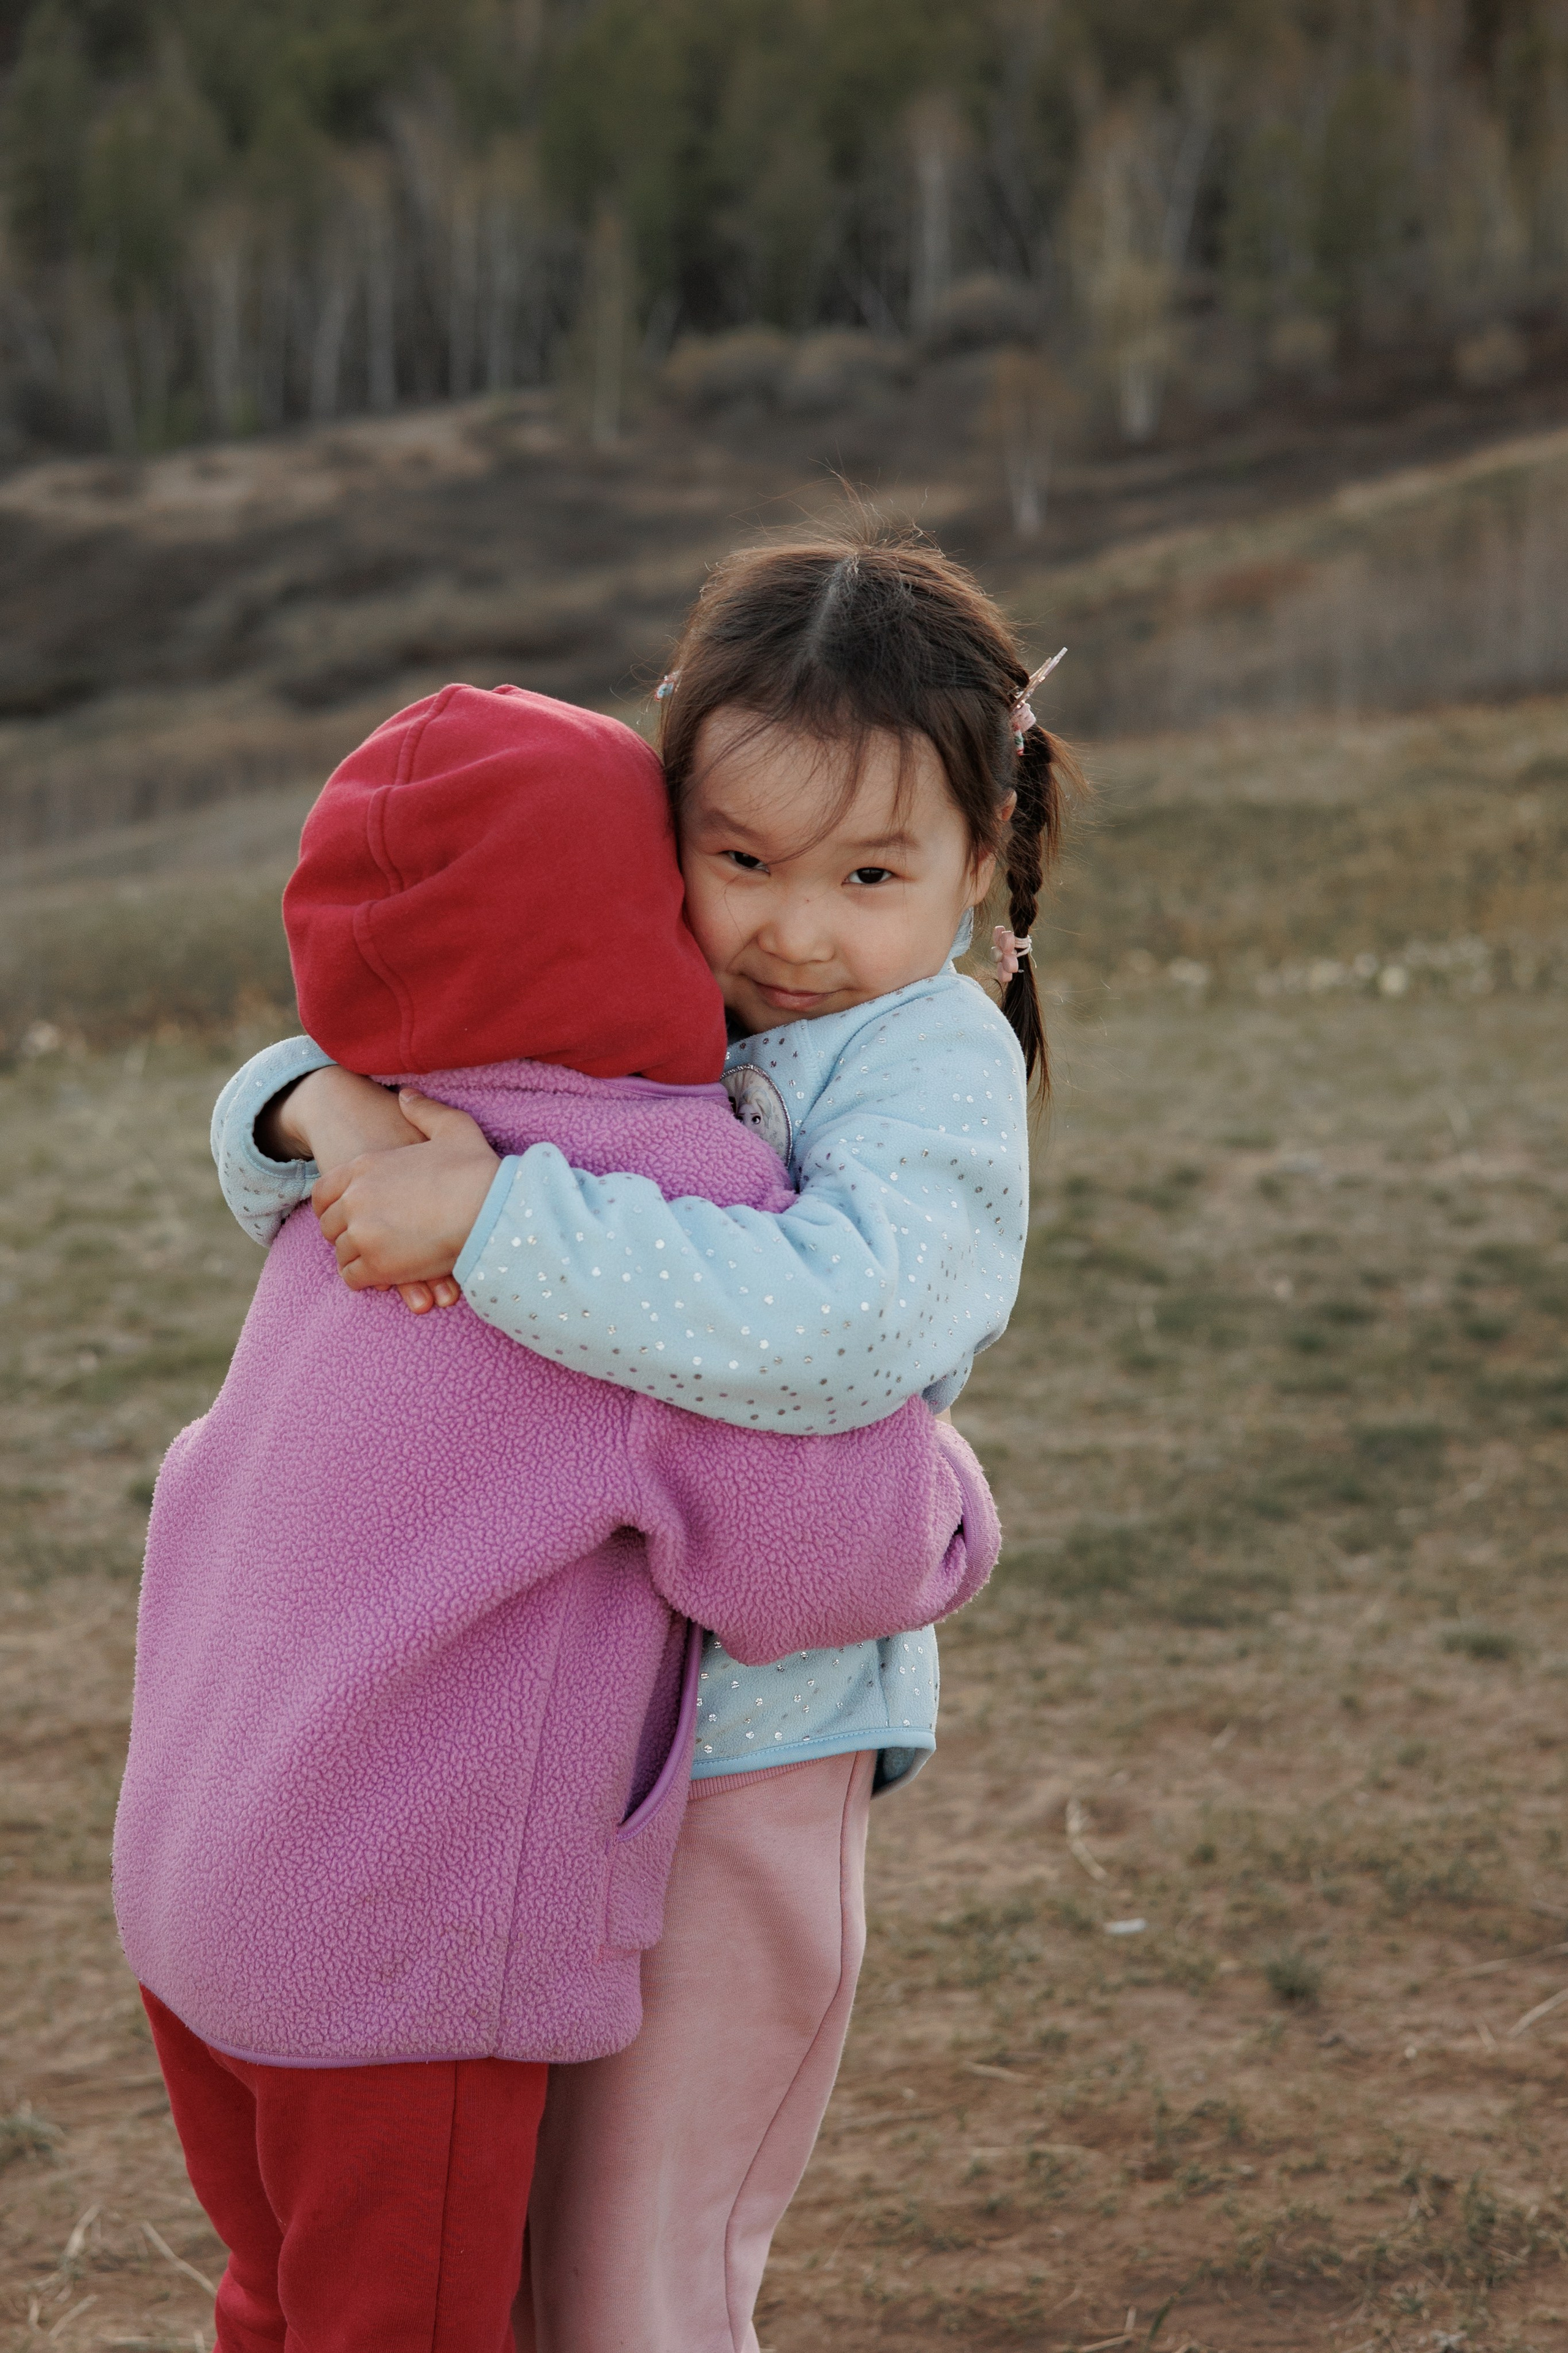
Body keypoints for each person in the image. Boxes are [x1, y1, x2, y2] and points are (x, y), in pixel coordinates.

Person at [212, 526, 1081, 2353]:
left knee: (640, 2284)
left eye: (870, 871)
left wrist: (500, 1227)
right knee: (512, 2263)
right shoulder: (669, 986)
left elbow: (845, 1323)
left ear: (977, 861)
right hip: (561, 1761)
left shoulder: (925, 1062)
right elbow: (408, 1044)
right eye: (739, 856)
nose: (792, 924)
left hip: (763, 1741)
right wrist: (306, 1111)